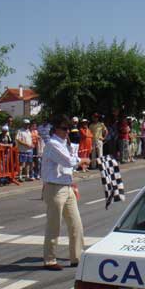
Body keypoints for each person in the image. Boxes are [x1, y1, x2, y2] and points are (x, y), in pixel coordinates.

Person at [41, 115, 89, 270]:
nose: (67, 131)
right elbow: (68, 161)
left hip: (67, 186)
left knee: (76, 223)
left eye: (69, 128)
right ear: (56, 129)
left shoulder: (64, 144)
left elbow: (68, 165)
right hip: (55, 188)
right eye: (64, 128)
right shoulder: (53, 144)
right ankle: (49, 259)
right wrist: (82, 160)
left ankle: (77, 257)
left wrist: (72, 183)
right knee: (54, 225)